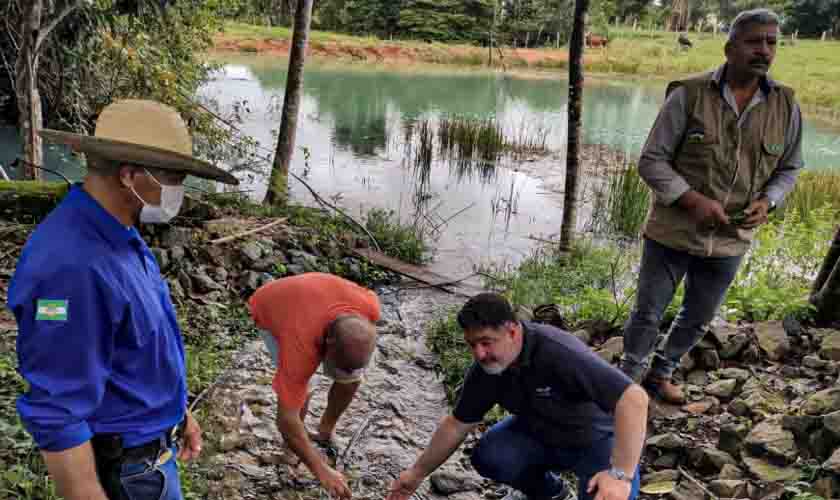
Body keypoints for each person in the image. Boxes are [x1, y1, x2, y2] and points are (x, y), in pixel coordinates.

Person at [8, 99, 239, 499]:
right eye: (173, 179)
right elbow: (57, 409)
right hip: (129, 474)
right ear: (130, 175)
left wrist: (177, 413)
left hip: (154, 450)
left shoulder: (120, 234)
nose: (177, 192)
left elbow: (137, 344)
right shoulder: (71, 267)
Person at [620, 8, 804, 404]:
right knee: (648, 314)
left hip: (731, 239)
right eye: (754, 41)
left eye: (771, 42)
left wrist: (768, 201)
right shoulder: (688, 94)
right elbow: (651, 160)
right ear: (729, 47)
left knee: (699, 317)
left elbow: (789, 168)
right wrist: (692, 200)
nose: (764, 50)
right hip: (672, 231)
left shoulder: (786, 105)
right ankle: (625, 384)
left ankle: (661, 373)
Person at [388, 293, 649, 500]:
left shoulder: (559, 352)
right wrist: (415, 474)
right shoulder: (486, 369)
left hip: (598, 441)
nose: (479, 354)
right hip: (541, 434)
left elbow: (634, 399)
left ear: (512, 332)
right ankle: (550, 492)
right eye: (472, 345)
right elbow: (457, 424)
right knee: (491, 455)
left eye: (486, 342)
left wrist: (620, 474)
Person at [248, 272, 381, 500]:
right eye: (338, 364)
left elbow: (350, 369)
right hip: (270, 304)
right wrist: (321, 470)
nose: (343, 371)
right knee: (301, 393)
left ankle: (325, 430)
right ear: (326, 345)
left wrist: (348, 370)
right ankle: (290, 451)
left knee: (350, 380)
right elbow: (285, 419)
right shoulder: (299, 345)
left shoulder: (370, 307)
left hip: (316, 299)